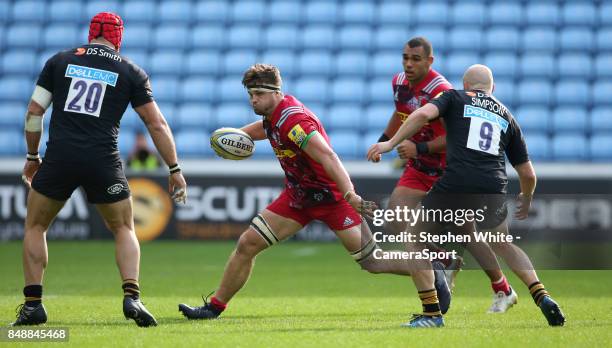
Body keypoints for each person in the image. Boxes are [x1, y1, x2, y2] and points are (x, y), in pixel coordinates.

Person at [178, 64, 451, 327]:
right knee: (248, 243)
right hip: (298, 198)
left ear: (276, 92)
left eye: (259, 94)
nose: (253, 100)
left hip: (332, 199)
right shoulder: (274, 116)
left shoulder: (295, 120)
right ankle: (214, 307)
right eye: (250, 95)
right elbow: (266, 128)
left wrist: (350, 194)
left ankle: (431, 269)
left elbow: (328, 156)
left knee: (373, 262)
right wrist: (238, 135)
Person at [12, 12, 187, 327]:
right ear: (118, 37)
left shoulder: (59, 61)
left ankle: (33, 305)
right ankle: (132, 296)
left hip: (60, 158)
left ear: (91, 33)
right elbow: (156, 123)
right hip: (103, 160)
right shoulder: (130, 71)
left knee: (35, 226)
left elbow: (34, 111)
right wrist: (174, 168)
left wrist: (31, 155)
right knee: (123, 228)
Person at [367, 64, 566, 326]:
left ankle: (431, 314)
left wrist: (390, 143)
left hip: (457, 182)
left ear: (465, 84)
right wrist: (526, 199)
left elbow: (421, 115)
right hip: (493, 186)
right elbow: (528, 174)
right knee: (503, 243)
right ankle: (541, 294)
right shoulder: (507, 116)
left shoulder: (454, 97)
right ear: (492, 88)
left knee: (413, 238)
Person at [376, 37, 518, 313]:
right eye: (405, 57)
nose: (408, 64)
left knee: (468, 234)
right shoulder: (399, 83)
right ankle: (441, 258)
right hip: (419, 167)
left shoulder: (440, 90)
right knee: (395, 216)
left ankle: (501, 286)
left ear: (430, 61)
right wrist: (385, 139)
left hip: (446, 168)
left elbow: (455, 136)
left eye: (415, 59)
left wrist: (419, 147)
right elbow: (401, 113)